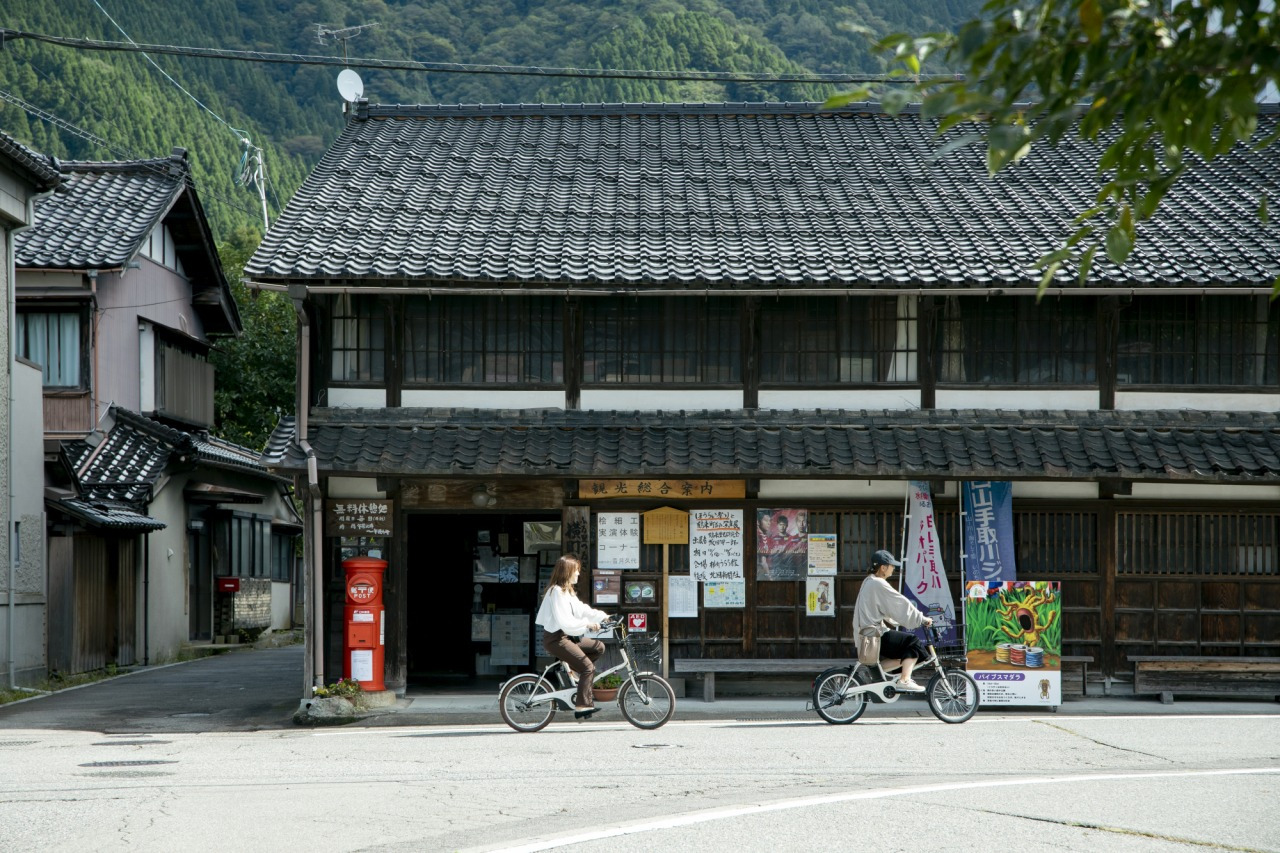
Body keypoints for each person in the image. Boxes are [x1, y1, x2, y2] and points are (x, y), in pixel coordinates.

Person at [535, 554, 610, 718]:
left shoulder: (567, 591)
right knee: (588, 668)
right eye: (575, 571)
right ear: (567, 572)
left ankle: (576, 674)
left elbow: (582, 609)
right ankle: (583, 706)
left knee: (598, 647)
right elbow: (565, 622)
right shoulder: (556, 592)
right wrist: (587, 625)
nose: (578, 574)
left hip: (567, 637)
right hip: (557, 639)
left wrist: (603, 616)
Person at [852, 549, 933, 692]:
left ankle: (873, 672)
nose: (893, 569)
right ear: (883, 567)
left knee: (904, 653)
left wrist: (899, 621)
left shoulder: (869, 581)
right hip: (874, 636)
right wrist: (921, 618)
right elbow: (900, 603)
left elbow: (886, 609)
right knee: (913, 642)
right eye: (891, 565)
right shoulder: (878, 583)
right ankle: (905, 680)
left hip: (866, 636)